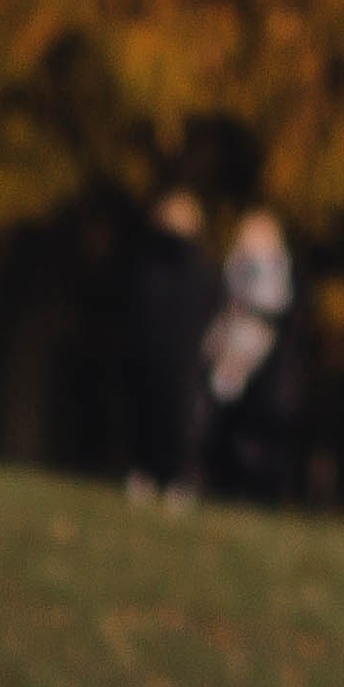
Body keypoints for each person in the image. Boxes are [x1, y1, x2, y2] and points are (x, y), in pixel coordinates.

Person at [197, 207, 305, 507]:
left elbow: (283, 318)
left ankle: (259, 494)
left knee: (257, 438)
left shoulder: (284, 281)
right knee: (224, 428)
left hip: (265, 373)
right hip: (228, 359)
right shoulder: (231, 271)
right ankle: (224, 486)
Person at [125, 187, 216, 503]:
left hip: (185, 355)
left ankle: (179, 478)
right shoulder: (148, 264)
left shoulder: (198, 269)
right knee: (147, 412)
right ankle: (145, 473)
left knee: (179, 417)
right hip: (152, 350)